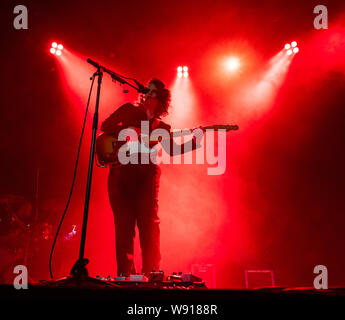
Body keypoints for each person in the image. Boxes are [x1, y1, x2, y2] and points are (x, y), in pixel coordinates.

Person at [100, 78, 201, 276]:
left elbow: (172, 150)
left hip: (147, 179)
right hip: (121, 176)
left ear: (160, 101)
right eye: (147, 91)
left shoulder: (161, 127)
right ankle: (125, 277)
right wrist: (128, 132)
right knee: (123, 230)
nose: (147, 95)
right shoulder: (128, 110)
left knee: (150, 229)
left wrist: (196, 142)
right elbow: (105, 125)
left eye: (153, 93)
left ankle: (151, 276)